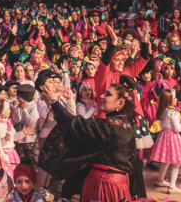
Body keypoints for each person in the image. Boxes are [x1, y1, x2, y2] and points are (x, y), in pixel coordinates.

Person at [37, 74, 136, 202]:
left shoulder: (114, 127)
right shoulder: (119, 124)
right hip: (105, 183)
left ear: (120, 103)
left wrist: (55, 103)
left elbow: (78, 126)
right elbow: (80, 129)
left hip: (105, 186)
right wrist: (55, 108)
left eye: (108, 94)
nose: (101, 96)